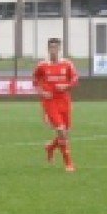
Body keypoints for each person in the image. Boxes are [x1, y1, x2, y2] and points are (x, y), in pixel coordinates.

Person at [31, 38, 79, 172]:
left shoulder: (67, 64)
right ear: (48, 49)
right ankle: (68, 163)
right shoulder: (42, 66)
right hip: (50, 102)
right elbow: (34, 80)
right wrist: (42, 92)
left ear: (59, 49)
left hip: (64, 100)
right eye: (51, 47)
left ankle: (50, 147)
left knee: (66, 133)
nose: (53, 50)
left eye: (55, 47)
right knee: (62, 131)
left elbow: (75, 79)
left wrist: (66, 85)